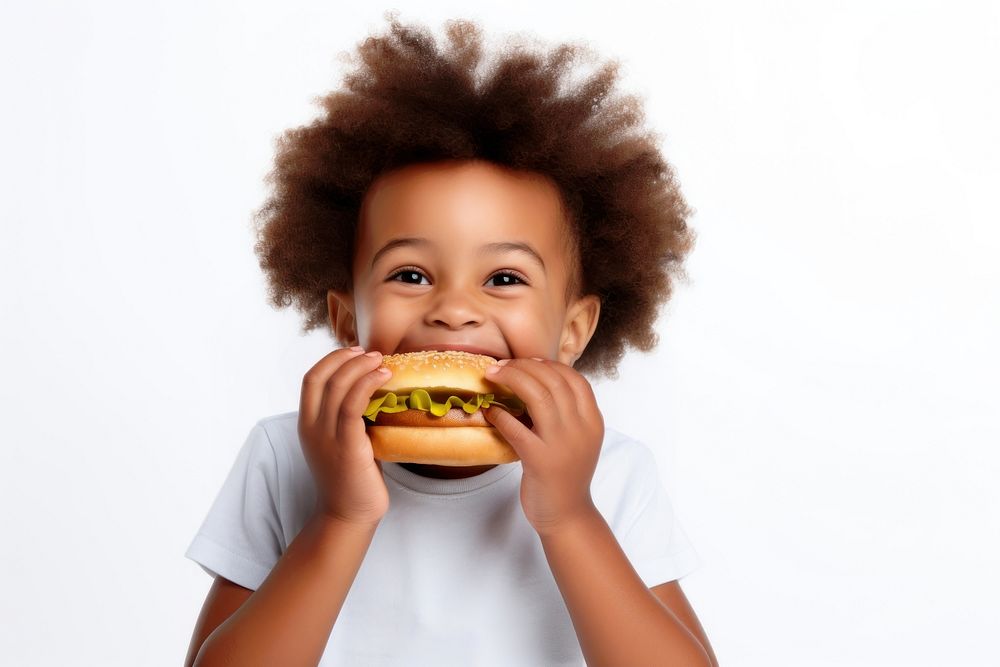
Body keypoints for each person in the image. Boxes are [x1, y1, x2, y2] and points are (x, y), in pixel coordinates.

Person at [184, 13, 718, 667]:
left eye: (503, 276)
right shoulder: (287, 455)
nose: (455, 310)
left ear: (573, 328)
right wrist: (339, 516)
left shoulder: (610, 472)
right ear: (349, 319)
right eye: (410, 273)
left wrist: (572, 516)